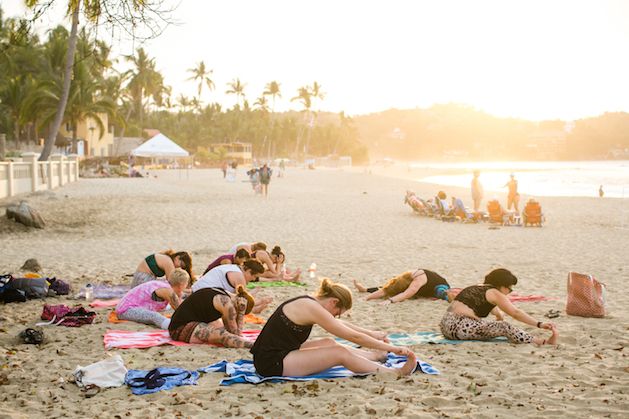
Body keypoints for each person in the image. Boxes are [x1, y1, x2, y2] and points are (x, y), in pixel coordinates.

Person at [250, 278, 418, 378]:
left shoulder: (310, 301)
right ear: (334, 302)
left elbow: (342, 325)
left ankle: (375, 356)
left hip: (279, 352)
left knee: (328, 342)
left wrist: (372, 334)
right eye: (337, 313)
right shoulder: (311, 308)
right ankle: (394, 373)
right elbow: (354, 337)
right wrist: (393, 348)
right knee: (340, 353)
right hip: (271, 363)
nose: (336, 317)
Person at [439, 268, 558, 345]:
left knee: (494, 324)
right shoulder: (495, 293)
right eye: (510, 289)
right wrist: (539, 324)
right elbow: (516, 313)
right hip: (459, 327)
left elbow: (490, 307)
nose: (509, 292)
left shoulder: (477, 288)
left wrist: (499, 316)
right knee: (504, 326)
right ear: (502, 286)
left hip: (445, 326)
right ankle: (542, 342)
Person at [169, 284, 255, 348]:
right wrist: (241, 313)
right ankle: (253, 346)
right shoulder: (227, 305)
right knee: (224, 336)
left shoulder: (222, 292)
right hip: (180, 329)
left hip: (181, 322)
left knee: (219, 326)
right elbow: (235, 334)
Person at [116, 268, 189, 329]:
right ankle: (172, 327)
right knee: (154, 316)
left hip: (127, 307)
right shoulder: (168, 291)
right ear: (181, 285)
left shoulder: (163, 285)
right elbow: (179, 310)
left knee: (160, 311)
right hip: (126, 310)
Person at [192, 259, 271, 313]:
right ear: (249, 271)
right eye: (254, 276)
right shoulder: (239, 277)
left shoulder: (233, 267)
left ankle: (255, 308)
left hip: (196, 291)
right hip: (202, 297)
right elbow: (244, 300)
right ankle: (254, 310)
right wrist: (259, 300)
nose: (253, 279)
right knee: (235, 301)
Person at [353, 269, 452, 303]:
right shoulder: (404, 278)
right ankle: (365, 289)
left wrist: (390, 300)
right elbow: (387, 289)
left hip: (439, 287)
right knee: (392, 288)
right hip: (423, 289)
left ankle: (447, 295)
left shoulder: (417, 281)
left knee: (441, 292)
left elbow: (406, 294)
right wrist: (366, 298)